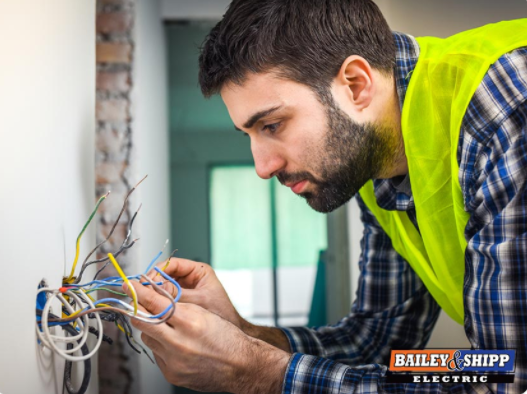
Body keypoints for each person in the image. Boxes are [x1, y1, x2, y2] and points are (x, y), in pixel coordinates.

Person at [124, 1, 527, 393]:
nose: (262, 167)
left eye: (272, 125)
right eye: (249, 135)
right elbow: (378, 343)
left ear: (356, 84)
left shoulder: (506, 107)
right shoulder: (376, 157)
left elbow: (506, 382)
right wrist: (244, 336)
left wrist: (257, 372)